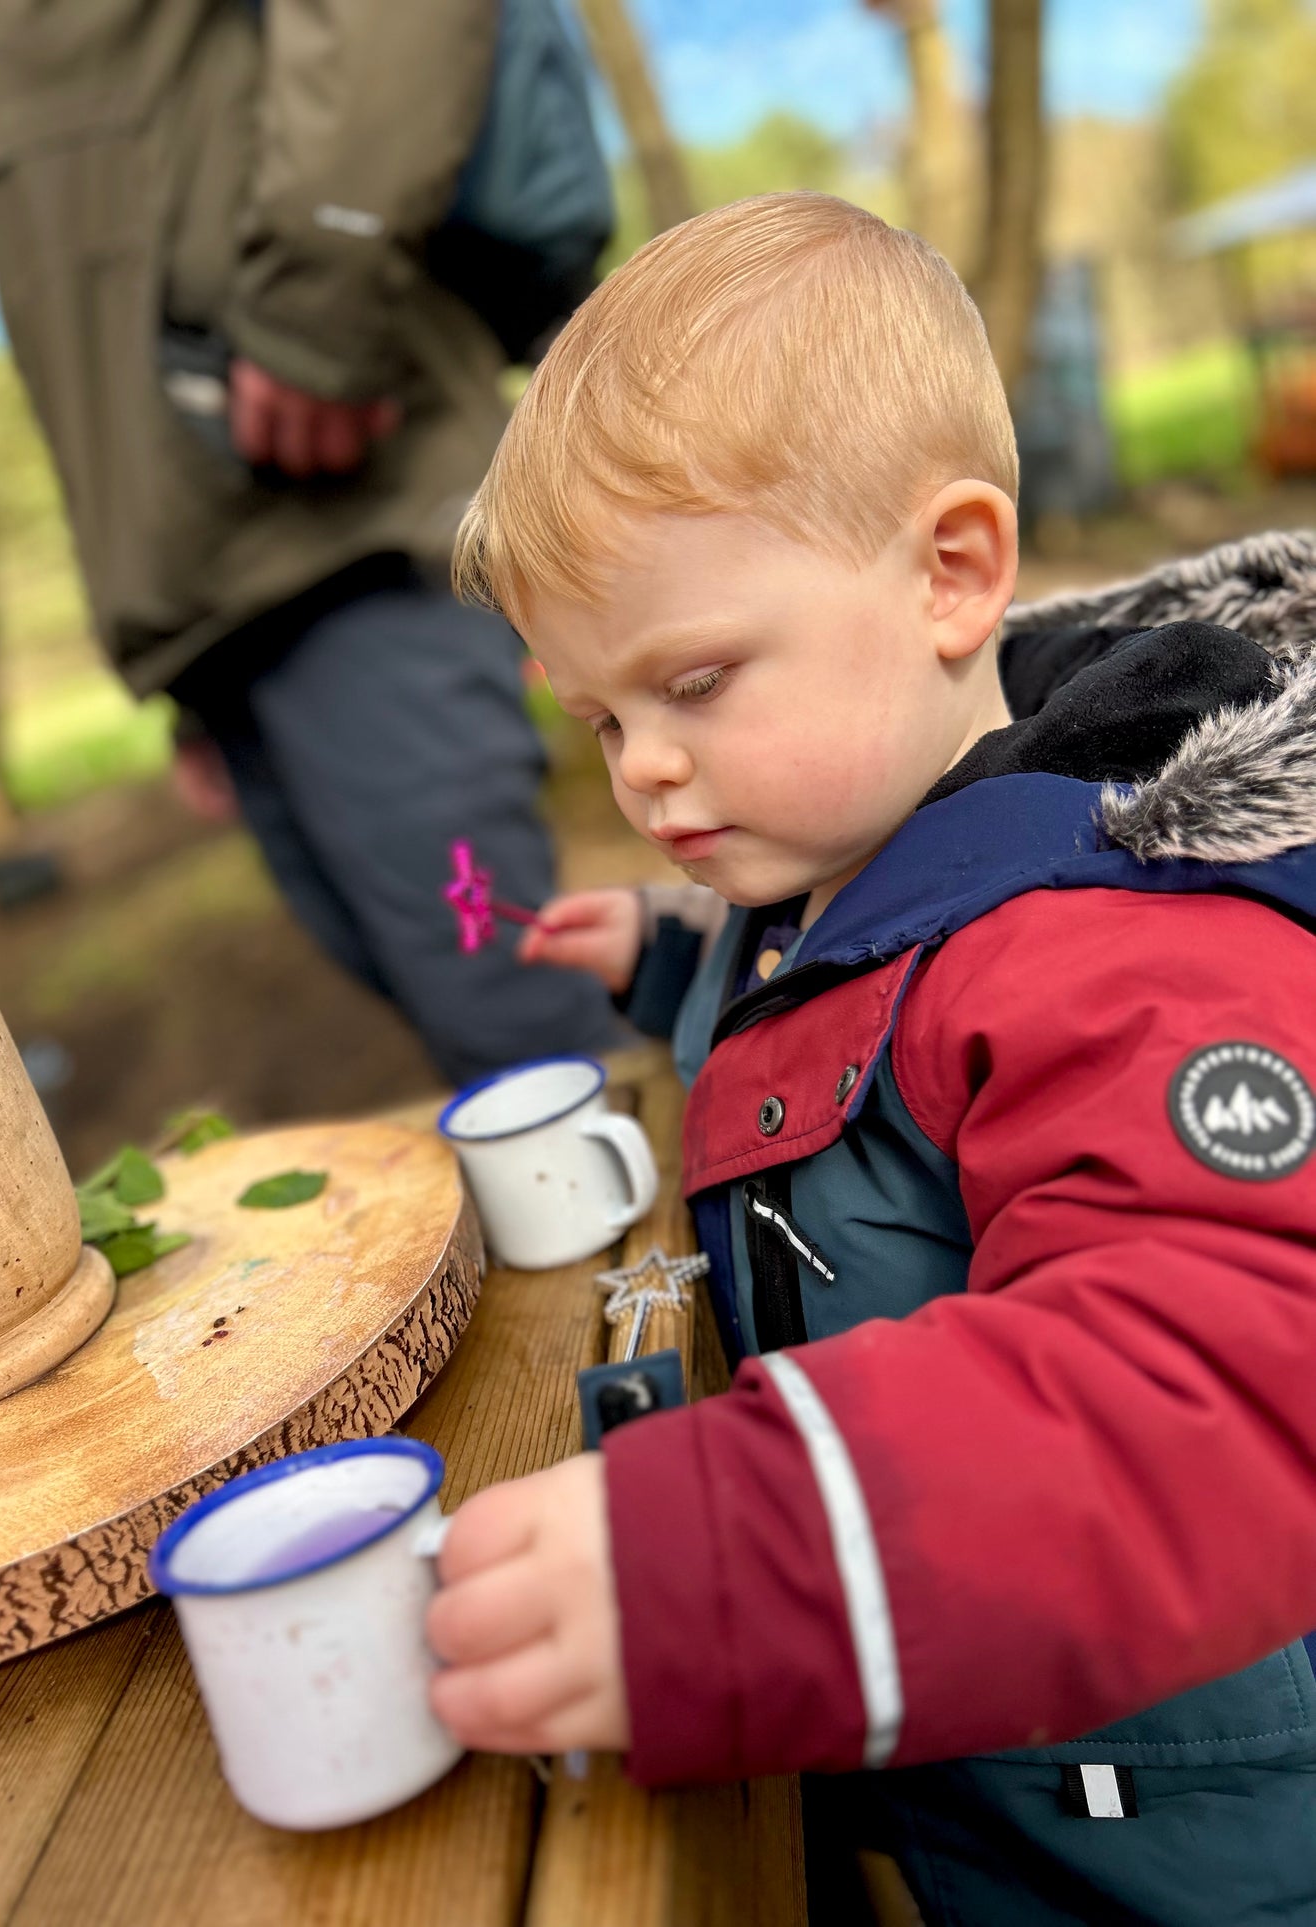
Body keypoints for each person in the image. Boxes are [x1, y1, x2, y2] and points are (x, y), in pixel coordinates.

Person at [421, 194, 1316, 1925]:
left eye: (693, 683)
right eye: (604, 719)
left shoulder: (1122, 944)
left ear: (952, 573)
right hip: (1000, 1774)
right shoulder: (850, 840)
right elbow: (844, 1004)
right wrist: (668, 956)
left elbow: (1221, 1380)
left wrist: (755, 1562)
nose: (646, 777)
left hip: (1187, 1856)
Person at [0, 0, 616, 1085]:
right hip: (225, 581)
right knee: (471, 1017)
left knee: (519, 1021)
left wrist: (314, 308)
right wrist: (179, 641)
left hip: (346, 526)